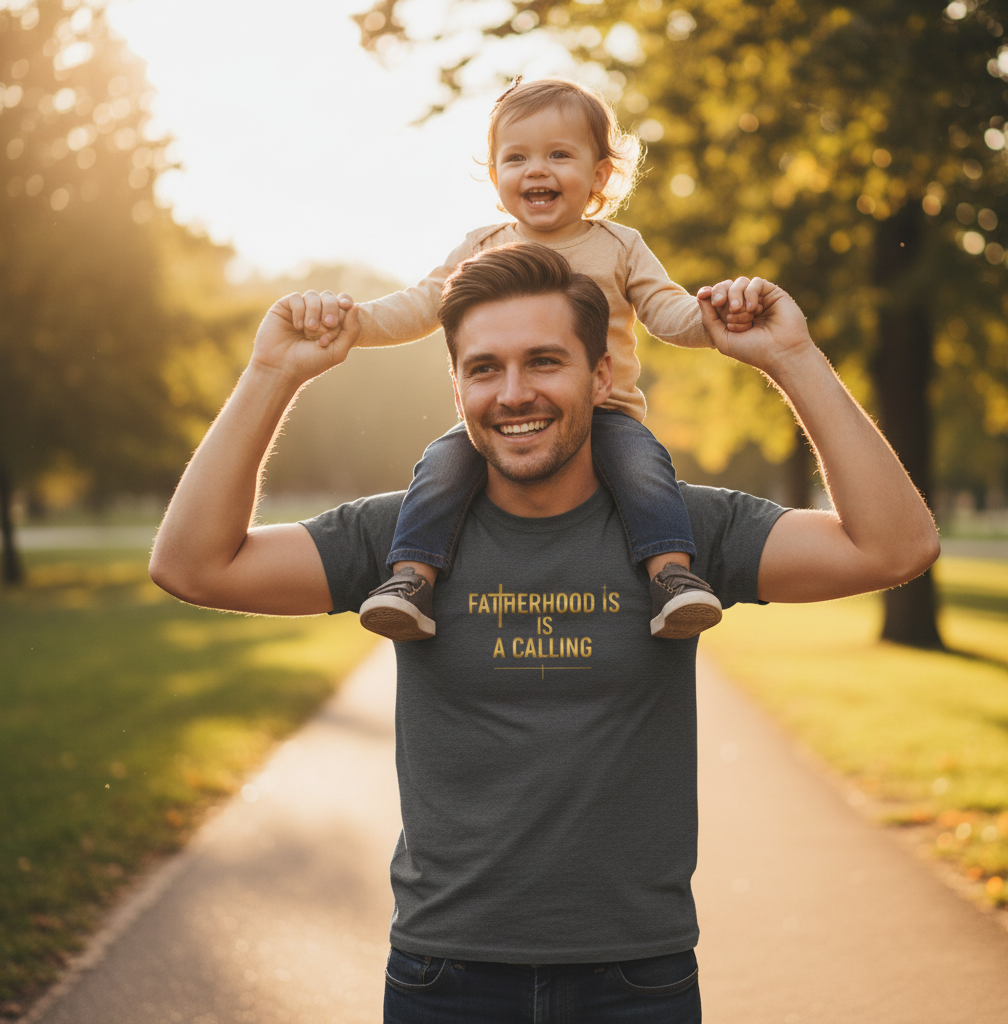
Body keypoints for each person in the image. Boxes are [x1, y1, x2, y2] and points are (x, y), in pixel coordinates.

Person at [149, 243, 939, 1023]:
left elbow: (895, 547)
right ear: (456, 387)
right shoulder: (399, 540)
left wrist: (791, 358)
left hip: (637, 979)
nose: (514, 392)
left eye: (545, 362)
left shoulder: (683, 530)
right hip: (444, 977)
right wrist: (271, 374)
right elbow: (192, 566)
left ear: (601, 376)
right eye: (484, 368)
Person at [350, 78, 772, 644]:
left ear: (599, 175)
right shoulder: (483, 245)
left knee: (644, 468)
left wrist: (715, 321)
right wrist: (353, 323)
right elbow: (422, 304)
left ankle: (671, 578)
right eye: (516, 157)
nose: (536, 170)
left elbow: (665, 309)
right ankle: (410, 581)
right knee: (441, 466)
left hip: (607, 413)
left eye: (559, 155)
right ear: (496, 176)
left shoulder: (619, 246)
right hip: (506, 416)